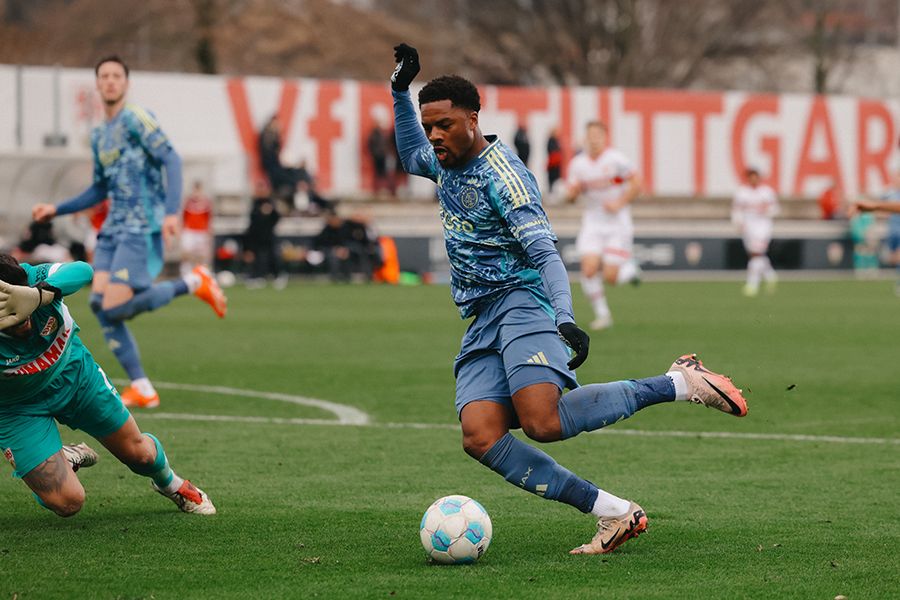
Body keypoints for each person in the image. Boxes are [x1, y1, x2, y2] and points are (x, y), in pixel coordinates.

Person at [390, 43, 748, 555]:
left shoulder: (505, 177)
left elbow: (545, 252)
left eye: (445, 124)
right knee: (480, 435)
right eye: (429, 126)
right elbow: (409, 154)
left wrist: (564, 317)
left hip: (522, 302)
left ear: (474, 118)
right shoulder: (443, 161)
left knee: (543, 422)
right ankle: (615, 513)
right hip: (481, 316)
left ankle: (679, 383)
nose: (434, 136)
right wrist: (400, 92)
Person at [31, 55, 227, 409]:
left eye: (116, 76)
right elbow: (98, 189)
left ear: (126, 83)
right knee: (100, 305)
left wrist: (171, 212)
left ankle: (194, 282)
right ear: (97, 84)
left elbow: (172, 159)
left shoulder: (137, 119)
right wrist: (56, 208)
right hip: (112, 230)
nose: (109, 81)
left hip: (140, 226)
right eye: (104, 76)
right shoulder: (99, 134)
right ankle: (143, 387)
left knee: (115, 305)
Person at [0, 254, 215, 517]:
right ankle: (62, 458)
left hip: (75, 374)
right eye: (14, 322)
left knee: (141, 455)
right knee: (67, 503)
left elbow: (81, 270)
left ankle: (171, 484)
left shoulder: (30, 278)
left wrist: (38, 296)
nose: (26, 324)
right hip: (16, 408)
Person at [564, 121, 642, 330]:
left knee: (610, 277)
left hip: (617, 223)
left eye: (598, 135)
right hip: (592, 221)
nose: (594, 139)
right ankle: (603, 314)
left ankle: (630, 270)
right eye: (590, 135)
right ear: (585, 138)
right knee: (588, 270)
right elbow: (570, 197)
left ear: (605, 137)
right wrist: (573, 193)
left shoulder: (616, 160)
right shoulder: (578, 164)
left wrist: (619, 203)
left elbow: (637, 183)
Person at [731, 167, 779, 296]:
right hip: (748, 228)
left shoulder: (766, 192)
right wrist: (738, 222)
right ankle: (771, 276)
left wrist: (766, 211)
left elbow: (775, 209)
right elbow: (737, 210)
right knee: (756, 255)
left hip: (763, 228)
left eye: (755, 176)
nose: (753, 179)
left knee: (756, 254)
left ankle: (752, 284)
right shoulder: (742, 193)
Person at [851, 170, 900, 294]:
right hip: (892, 230)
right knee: (893, 257)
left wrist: (876, 207)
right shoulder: (889, 193)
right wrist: (875, 206)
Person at [244, 184, 286, 289]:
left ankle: (278, 276)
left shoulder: (271, 203)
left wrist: (270, 212)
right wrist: (261, 214)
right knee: (258, 258)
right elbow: (253, 222)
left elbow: (276, 219)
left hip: (269, 237)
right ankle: (257, 277)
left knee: (274, 257)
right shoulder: (255, 204)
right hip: (257, 237)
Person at [180, 181, 214, 277]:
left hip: (201, 231)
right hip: (189, 230)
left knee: (201, 255)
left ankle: (202, 273)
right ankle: (185, 272)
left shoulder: (206, 202)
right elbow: (184, 217)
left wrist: (209, 232)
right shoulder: (188, 202)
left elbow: (209, 219)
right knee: (186, 252)